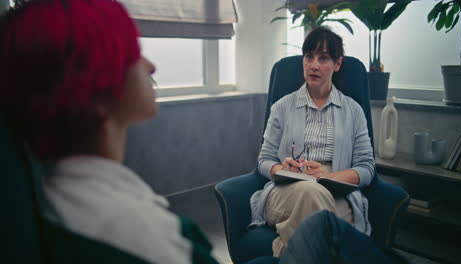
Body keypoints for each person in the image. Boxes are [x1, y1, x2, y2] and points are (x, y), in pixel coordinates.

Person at [0, 0, 216, 263]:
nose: (150, 66)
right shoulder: (139, 237)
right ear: (93, 85)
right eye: (134, 52)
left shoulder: (55, 200)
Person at [250, 26, 375, 257]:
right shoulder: (282, 107)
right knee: (313, 197)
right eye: (309, 57)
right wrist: (282, 169)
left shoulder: (353, 111)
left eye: (324, 58)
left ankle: (285, 252)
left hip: (336, 190)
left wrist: (325, 177)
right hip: (287, 189)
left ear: (338, 64)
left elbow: (366, 168)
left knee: (317, 201)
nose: (314, 65)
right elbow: (264, 160)